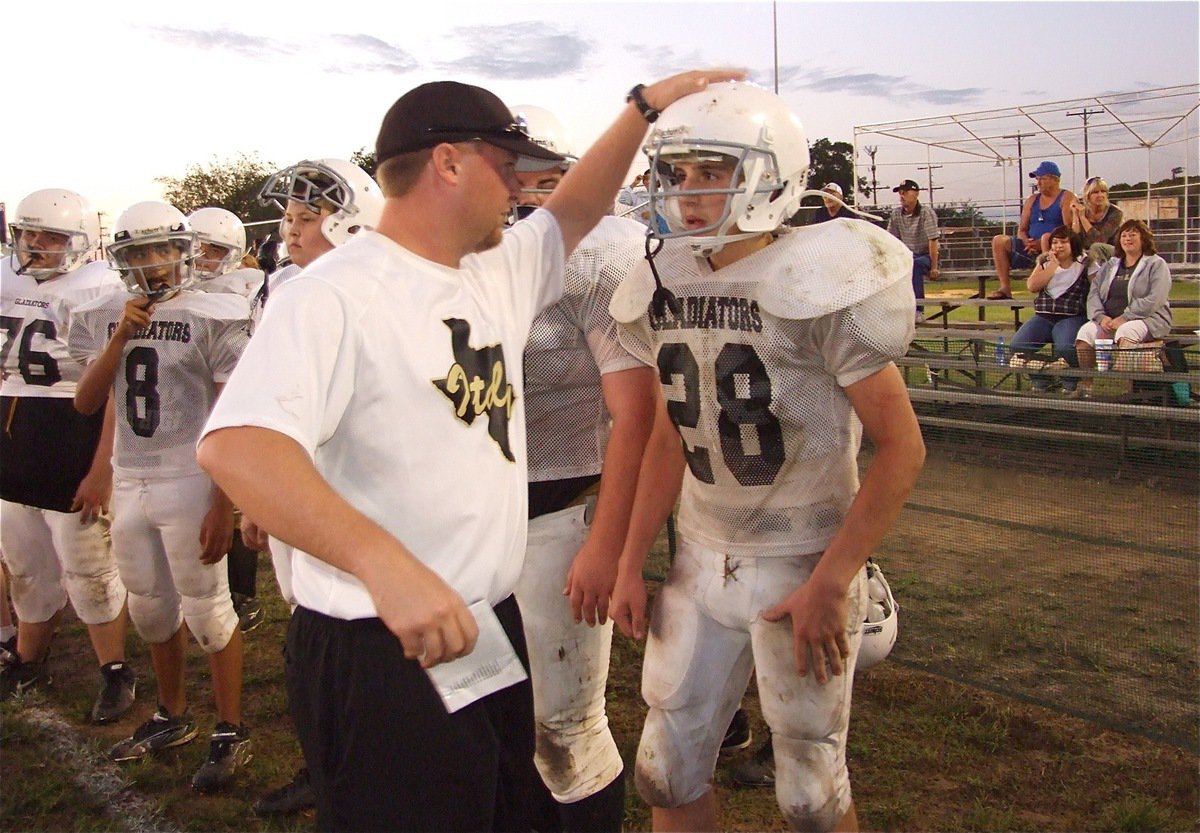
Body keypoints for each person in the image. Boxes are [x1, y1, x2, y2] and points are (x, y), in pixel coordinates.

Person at [197, 70, 742, 832]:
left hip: (482, 622)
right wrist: (386, 566)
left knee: (503, 805)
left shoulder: (491, 269)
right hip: (380, 642)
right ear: (448, 163)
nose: (520, 187)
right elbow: (237, 445)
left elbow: (579, 206)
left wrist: (643, 110)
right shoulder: (331, 292)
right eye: (506, 164)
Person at [607, 81, 926, 832]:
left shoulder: (820, 275)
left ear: (771, 173)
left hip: (800, 560)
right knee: (664, 769)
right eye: (678, 174)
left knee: (811, 794)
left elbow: (902, 447)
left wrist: (834, 576)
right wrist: (628, 557)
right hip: (701, 554)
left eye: (712, 171)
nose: (688, 193)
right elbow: (664, 438)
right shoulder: (661, 277)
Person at [69, 201, 252, 792]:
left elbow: (230, 412)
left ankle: (230, 728)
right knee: (149, 605)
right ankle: (172, 715)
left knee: (208, 608)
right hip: (130, 477)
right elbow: (86, 402)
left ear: (185, 250)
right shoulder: (107, 314)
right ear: (121, 261)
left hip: (189, 477)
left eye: (161, 250)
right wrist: (122, 333)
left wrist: (224, 500)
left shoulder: (216, 312)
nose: (152, 264)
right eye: (138, 254)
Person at [508, 103, 657, 831]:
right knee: (497, 713)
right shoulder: (464, 254)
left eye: (546, 177)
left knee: (567, 730)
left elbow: (640, 413)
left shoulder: (600, 256)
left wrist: (608, 544)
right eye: (513, 176)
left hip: (565, 506)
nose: (526, 195)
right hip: (480, 515)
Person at [246, 157, 384, 819]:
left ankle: (365, 762)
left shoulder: (376, 288)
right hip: (292, 474)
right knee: (307, 617)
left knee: (359, 629)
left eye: (307, 218)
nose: (290, 230)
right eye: (288, 217)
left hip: (353, 485)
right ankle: (324, 760)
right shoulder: (281, 287)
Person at [0, 188, 138, 724]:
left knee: (87, 564)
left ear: (80, 243)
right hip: (12, 429)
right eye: (30, 233)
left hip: (71, 429)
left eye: (52, 236)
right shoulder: (6, 276)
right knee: (25, 560)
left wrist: (102, 465)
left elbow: (115, 387)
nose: (36, 245)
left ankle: (115, 669)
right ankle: (30, 657)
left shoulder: (102, 288)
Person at [188, 206, 266, 633]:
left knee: (232, 493)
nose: (201, 260)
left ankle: (243, 591)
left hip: (238, 398)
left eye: (213, 250)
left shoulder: (243, 289)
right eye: (194, 249)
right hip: (194, 399)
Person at [1071, 219, 1173, 399]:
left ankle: (1131, 390)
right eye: (1124, 235)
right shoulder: (1111, 265)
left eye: (1133, 234)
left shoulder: (1156, 264)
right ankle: (1086, 385)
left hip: (1147, 319)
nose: (1127, 238)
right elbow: (1094, 293)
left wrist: (1126, 317)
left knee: (1126, 332)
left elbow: (1155, 299)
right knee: (1084, 334)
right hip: (1109, 320)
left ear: (1143, 239)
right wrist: (1100, 317)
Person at [1008, 226, 1094, 394]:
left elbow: (1098, 288)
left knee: (1065, 348)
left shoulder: (1086, 263)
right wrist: (1052, 267)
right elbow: (1032, 286)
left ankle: (1070, 382)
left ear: (1073, 244)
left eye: (1063, 242)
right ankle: (1042, 378)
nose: (1058, 246)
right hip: (1044, 316)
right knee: (1018, 346)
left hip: (1072, 315)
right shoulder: (1044, 262)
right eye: (1055, 242)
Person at [989, 160, 1079, 300]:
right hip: (1028, 248)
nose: (1038, 183)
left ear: (1055, 179)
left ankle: (1048, 286)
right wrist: (1027, 242)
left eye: (1042, 179)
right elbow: (1022, 229)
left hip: (1053, 248)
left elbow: (1068, 229)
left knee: (1046, 237)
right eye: (1037, 179)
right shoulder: (1032, 199)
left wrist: (1046, 241)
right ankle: (1005, 288)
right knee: (999, 241)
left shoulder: (1066, 197)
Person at [885, 179, 939, 321]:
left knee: (915, 265)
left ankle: (918, 309)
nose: (902, 196)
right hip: (907, 255)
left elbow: (933, 240)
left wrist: (934, 267)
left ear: (916, 194)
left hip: (924, 255)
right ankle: (892, 309)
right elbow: (891, 240)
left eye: (905, 192)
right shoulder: (896, 214)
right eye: (900, 193)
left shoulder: (926, 213)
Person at [1068, 176, 1123, 265]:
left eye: (1103, 191)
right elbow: (1075, 238)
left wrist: (1083, 218)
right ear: (1088, 195)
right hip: (1086, 252)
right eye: (1095, 192)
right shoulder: (1083, 211)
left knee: (1096, 247)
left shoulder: (1116, 213)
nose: (1100, 195)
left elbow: (1100, 240)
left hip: (1111, 252)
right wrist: (1075, 214)